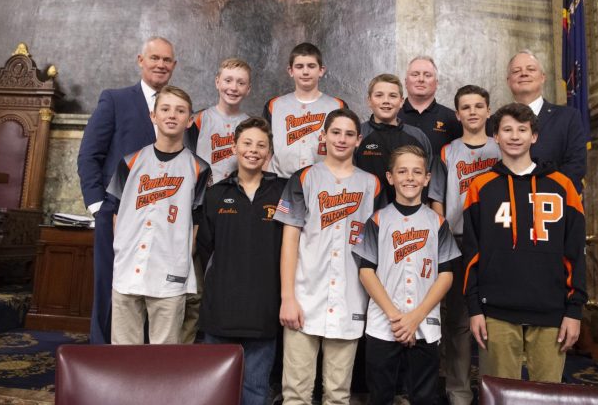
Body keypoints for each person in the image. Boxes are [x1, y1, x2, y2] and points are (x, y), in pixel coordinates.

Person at [463, 102, 587, 383]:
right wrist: (474, 308)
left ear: (535, 136)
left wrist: (574, 310)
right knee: (499, 395)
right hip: (495, 311)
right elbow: (472, 254)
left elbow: (576, 253)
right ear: (496, 136)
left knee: (546, 397)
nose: (515, 136)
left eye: (522, 129)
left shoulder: (562, 186)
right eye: (507, 129)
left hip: (551, 310)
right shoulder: (480, 187)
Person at [275, 108, 383, 405]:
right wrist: (288, 297)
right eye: (335, 132)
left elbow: (378, 247)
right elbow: (290, 240)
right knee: (296, 393)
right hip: (305, 296)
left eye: (349, 134)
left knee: (338, 395)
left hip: (350, 297)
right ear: (323, 136)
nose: (342, 139)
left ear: (359, 140)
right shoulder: (304, 177)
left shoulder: (371, 184)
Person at [77, 36, 178, 344]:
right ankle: (102, 359)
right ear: (140, 60)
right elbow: (89, 154)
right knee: (110, 286)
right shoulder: (115, 99)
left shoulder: (177, 107)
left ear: (174, 66)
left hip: (160, 218)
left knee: (150, 292)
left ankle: (140, 364)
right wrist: (98, 206)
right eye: (154, 58)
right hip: (115, 214)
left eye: (167, 60)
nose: (160, 64)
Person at [353, 145, 459, 405]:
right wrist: (396, 317)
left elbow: (446, 275)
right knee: (380, 396)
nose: (409, 178)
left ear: (427, 178)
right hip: (383, 324)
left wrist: (415, 318)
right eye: (402, 171)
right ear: (390, 178)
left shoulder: (438, 222)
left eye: (416, 172)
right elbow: (366, 271)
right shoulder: (377, 220)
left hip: (425, 324)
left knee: (424, 396)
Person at [106, 86, 211, 345]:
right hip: (128, 269)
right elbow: (117, 214)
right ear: (153, 115)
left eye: (180, 110)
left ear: (189, 120)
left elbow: (196, 222)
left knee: (164, 356)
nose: (172, 115)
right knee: (123, 352)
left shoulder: (199, 168)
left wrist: (183, 256)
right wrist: (123, 251)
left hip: (170, 271)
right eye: (165, 109)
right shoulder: (130, 162)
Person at [198, 117, 286, 405]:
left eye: (261, 145)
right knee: (215, 391)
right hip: (221, 309)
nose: (253, 150)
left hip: (264, 310)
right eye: (247, 143)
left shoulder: (285, 192)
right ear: (234, 148)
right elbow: (206, 249)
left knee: (255, 391)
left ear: (269, 154)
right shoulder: (215, 194)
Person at [429, 85, 500, 405]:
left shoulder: (502, 150)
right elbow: (437, 201)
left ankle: (491, 389)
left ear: (488, 111)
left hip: (496, 243)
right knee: (457, 322)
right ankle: (458, 391)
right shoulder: (447, 152)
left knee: (492, 321)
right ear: (457, 115)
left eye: (479, 106)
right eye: (466, 107)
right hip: (457, 241)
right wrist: (441, 239)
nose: (473, 112)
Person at [181, 58, 252, 343]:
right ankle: (185, 352)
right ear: (217, 82)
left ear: (248, 89)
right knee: (193, 287)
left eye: (240, 82)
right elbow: (184, 163)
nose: (233, 87)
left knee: (227, 279)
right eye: (228, 80)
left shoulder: (250, 124)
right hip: (199, 209)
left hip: (233, 208)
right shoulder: (198, 120)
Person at [263, 43, 347, 179]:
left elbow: (347, 148)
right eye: (299, 66)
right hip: (280, 181)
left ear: (321, 70)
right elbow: (264, 147)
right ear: (291, 71)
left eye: (311, 66)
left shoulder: (337, 106)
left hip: (324, 180)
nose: (305, 72)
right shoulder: (274, 105)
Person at [506, 50, 586, 192]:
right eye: (516, 71)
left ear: (543, 77)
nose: (524, 73)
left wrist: (535, 196)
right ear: (508, 81)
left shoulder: (569, 117)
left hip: (555, 204)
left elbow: (576, 166)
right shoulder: (494, 122)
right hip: (506, 205)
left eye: (530, 69)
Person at [356, 73, 432, 203]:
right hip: (365, 214)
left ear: (401, 101)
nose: (386, 101)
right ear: (369, 100)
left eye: (392, 96)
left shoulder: (418, 136)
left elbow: (428, 179)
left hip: (409, 215)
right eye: (379, 95)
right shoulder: (358, 135)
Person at [398, 56, 462, 157]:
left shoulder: (453, 119)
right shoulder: (392, 116)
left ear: (436, 83)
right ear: (406, 82)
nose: (421, 79)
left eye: (427, 75)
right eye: (415, 74)